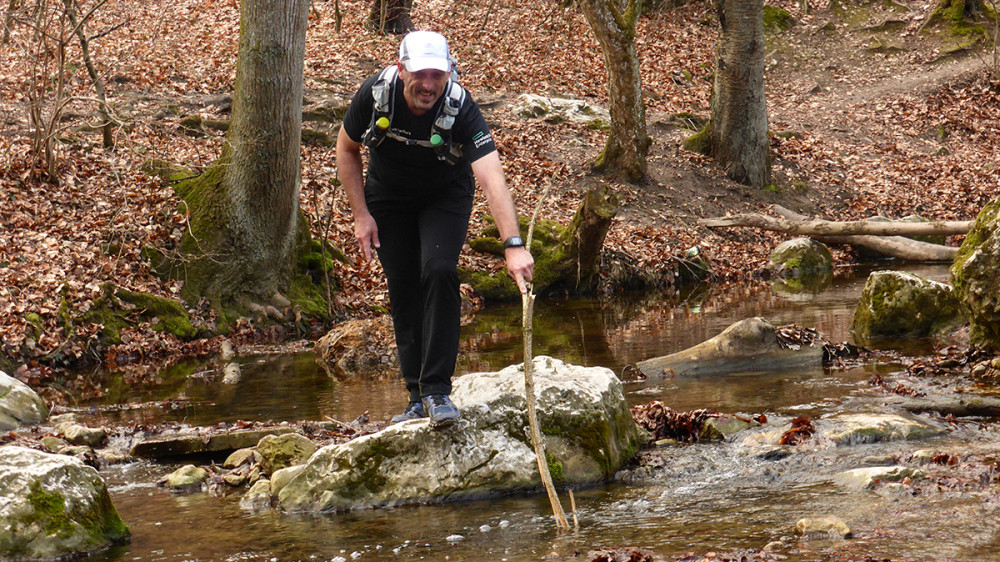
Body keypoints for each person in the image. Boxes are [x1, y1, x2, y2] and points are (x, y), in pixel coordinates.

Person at [336, 30, 534, 428]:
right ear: (401, 68)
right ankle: (415, 397)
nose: (428, 85)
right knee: (404, 285)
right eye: (420, 74)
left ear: (449, 73)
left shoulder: (460, 107)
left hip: (444, 196)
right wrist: (360, 215)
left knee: (439, 270)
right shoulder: (375, 95)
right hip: (388, 198)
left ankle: (438, 392)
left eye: (437, 75)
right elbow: (346, 148)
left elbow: (492, 177)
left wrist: (513, 245)